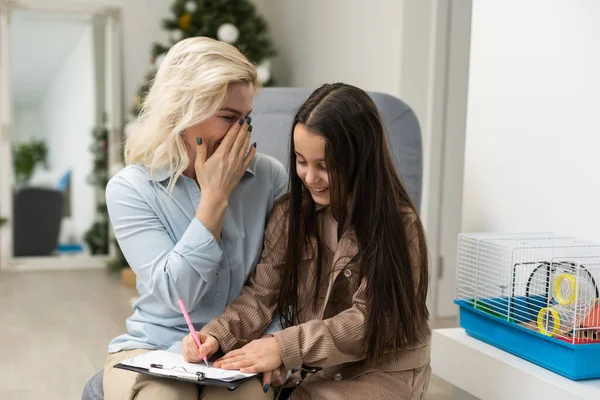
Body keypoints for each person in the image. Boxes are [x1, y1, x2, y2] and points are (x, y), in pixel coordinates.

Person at [183, 83, 432, 400]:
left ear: (361, 160)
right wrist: (217, 334)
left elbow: (370, 322)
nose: (310, 177)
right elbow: (261, 295)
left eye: (325, 166)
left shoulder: (399, 225)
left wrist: (283, 347)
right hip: (319, 369)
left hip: (382, 371)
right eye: (301, 161)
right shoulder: (291, 216)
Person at [102, 37, 286, 399]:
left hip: (242, 347)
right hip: (154, 346)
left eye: (246, 119)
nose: (241, 132)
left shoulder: (270, 177)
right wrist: (214, 198)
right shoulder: (131, 189)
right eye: (229, 118)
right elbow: (176, 294)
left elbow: (279, 283)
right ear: (184, 110)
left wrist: (278, 347)